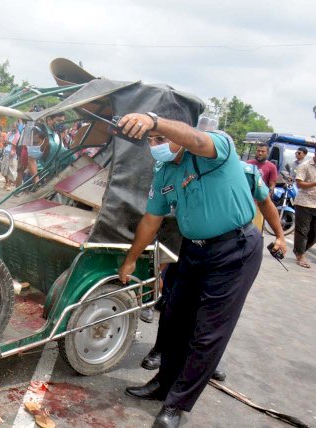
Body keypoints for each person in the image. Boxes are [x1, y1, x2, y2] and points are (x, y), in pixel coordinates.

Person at [117, 109, 286, 428]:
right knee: (174, 318)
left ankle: (176, 404)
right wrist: (130, 259)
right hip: (194, 250)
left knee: (207, 332)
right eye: (151, 140)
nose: (156, 144)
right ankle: (163, 384)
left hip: (234, 250)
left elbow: (195, 138)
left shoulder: (216, 149)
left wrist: (153, 120)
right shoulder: (164, 171)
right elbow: (151, 219)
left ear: (179, 135)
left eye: (162, 138)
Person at [293, 153, 316, 268]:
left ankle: (299, 250)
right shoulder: (305, 165)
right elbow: (299, 184)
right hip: (304, 203)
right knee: (302, 230)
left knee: (314, 234)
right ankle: (300, 255)